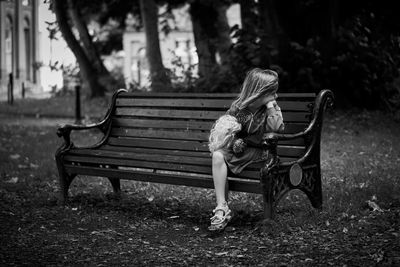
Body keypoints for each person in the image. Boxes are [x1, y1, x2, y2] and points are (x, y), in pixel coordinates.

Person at [208, 68, 285, 231]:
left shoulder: (272, 108)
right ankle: (222, 207)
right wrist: (235, 141)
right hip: (241, 150)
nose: (275, 95)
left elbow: (276, 129)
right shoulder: (239, 108)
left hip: (261, 152)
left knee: (222, 156)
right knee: (217, 155)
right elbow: (229, 128)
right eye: (272, 92)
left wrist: (271, 105)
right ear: (259, 91)